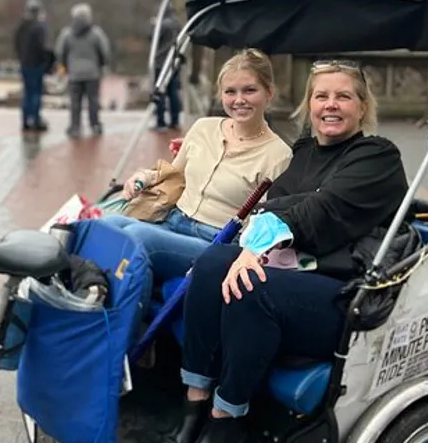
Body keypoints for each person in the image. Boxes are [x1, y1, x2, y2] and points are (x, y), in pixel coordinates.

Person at [149, 60, 409, 443]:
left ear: (362, 106)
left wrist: (265, 236)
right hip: (292, 271)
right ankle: (194, 403)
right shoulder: (305, 153)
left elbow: (319, 212)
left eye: (343, 96)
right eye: (321, 96)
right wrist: (271, 227)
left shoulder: (376, 157)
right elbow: (272, 208)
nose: (331, 105)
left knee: (252, 286)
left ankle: (226, 421)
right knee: (213, 260)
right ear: (309, 105)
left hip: (339, 294)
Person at [101, 49, 292, 284]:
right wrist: (143, 177)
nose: (239, 100)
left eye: (250, 90)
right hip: (173, 220)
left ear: (269, 93)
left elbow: (267, 223)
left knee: (137, 236)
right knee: (107, 224)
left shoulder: (279, 155)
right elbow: (174, 175)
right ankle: (88, 295)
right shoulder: (203, 128)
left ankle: (124, 315)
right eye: (230, 92)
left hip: (216, 241)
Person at [55, 3, 111, 138]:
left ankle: (75, 126)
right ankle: (95, 124)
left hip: (74, 73)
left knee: (75, 102)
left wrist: (65, 65)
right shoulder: (96, 33)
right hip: (92, 73)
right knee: (93, 100)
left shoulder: (67, 33)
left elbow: (60, 51)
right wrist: (102, 64)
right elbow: (105, 51)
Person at [14, 0, 51, 132]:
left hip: (24, 63)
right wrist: (46, 61)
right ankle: (35, 119)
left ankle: (25, 120)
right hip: (36, 63)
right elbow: (42, 46)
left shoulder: (21, 27)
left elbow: (17, 44)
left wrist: (21, 57)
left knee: (27, 92)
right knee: (36, 93)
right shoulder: (39, 27)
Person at [150, 7, 182, 131]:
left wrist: (154, 25)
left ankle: (160, 121)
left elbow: (152, 37)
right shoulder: (177, 24)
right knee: (173, 91)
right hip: (173, 62)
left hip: (161, 62)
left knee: (160, 91)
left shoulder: (162, 25)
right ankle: (175, 120)